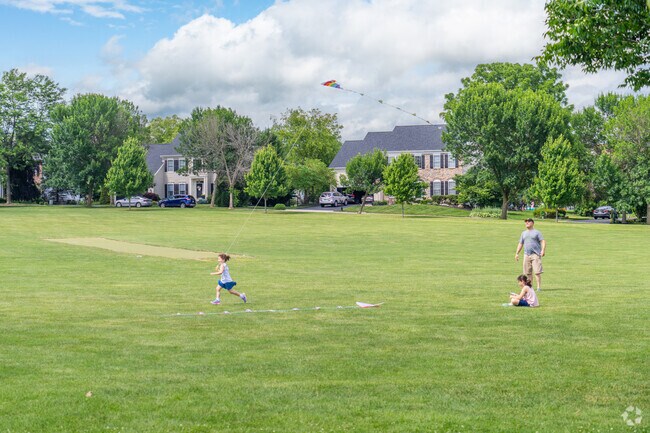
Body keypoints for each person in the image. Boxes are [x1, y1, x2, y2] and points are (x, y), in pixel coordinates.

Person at [515, 218, 546, 291]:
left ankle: (538, 287)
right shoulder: (523, 233)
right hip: (526, 255)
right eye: (525, 221)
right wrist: (517, 253)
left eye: (528, 221)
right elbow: (520, 243)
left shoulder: (537, 232)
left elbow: (543, 241)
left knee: (537, 272)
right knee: (528, 273)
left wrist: (543, 250)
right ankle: (530, 287)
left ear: (532, 223)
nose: (526, 222)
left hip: (535, 254)